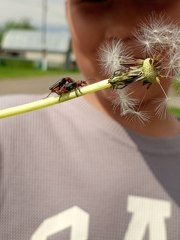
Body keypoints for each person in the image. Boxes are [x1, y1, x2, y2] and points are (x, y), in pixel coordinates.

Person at [0, 0, 180, 239]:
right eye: (95, 3)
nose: (122, 28)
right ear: (67, 11)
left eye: (150, 1)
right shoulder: (7, 134)